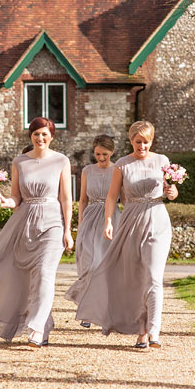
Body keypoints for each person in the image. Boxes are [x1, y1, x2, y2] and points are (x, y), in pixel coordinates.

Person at [0, 117, 74, 348]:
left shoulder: (61, 160)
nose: (40, 138)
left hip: (53, 223)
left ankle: (36, 328)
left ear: (51, 136)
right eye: (36, 134)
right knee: (26, 276)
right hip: (25, 221)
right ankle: (45, 324)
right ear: (30, 136)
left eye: (44, 134)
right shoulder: (20, 161)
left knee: (44, 273)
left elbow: (66, 198)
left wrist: (68, 230)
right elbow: (17, 198)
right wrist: (4, 200)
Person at [74, 121, 177, 349]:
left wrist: (172, 191)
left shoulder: (162, 161)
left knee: (154, 277)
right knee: (137, 278)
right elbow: (112, 197)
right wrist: (109, 221)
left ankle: (154, 330)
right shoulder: (122, 164)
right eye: (138, 142)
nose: (142, 146)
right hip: (130, 221)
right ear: (130, 140)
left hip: (157, 219)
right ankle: (141, 331)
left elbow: (172, 190)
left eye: (146, 142)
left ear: (152, 140)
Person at [65, 134, 120, 327]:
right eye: (97, 154)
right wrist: (80, 224)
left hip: (112, 219)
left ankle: (104, 311)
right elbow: (82, 200)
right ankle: (87, 311)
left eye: (105, 154)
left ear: (111, 152)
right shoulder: (88, 170)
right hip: (89, 219)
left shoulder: (118, 170)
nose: (101, 157)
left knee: (104, 266)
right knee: (88, 265)